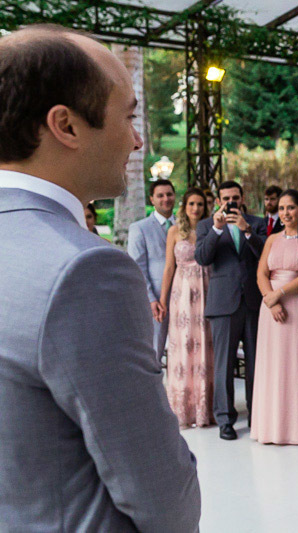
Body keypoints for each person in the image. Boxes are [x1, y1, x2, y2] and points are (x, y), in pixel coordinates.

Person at [0, 25, 199, 530]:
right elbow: (157, 488)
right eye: (128, 115)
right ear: (65, 125)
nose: (136, 139)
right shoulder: (84, 270)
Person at [195, 180, 267, 440]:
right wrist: (216, 229)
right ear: (218, 200)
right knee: (224, 363)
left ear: (242, 197)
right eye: (226, 198)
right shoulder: (206, 225)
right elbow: (202, 258)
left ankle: (257, 412)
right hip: (223, 303)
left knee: (255, 363)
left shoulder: (256, 223)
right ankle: (225, 418)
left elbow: (265, 256)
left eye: (234, 197)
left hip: (253, 301)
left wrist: (247, 231)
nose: (230, 202)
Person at [251, 189, 298, 445]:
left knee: (295, 364)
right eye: (282, 208)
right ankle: (268, 427)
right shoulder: (272, 239)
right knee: (271, 365)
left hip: (297, 305)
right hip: (271, 309)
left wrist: (281, 293)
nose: (286, 213)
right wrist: (270, 299)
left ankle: (295, 428)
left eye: (291, 207)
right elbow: (261, 273)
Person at [157, 188, 214, 428]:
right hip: (181, 294)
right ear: (185, 206)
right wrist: (162, 299)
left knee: (203, 347)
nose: (196, 208)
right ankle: (181, 410)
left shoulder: (210, 229)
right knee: (182, 348)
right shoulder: (174, 231)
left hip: (206, 289)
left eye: (200, 204)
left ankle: (203, 409)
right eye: (191, 204)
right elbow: (169, 267)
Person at [127, 178, 176, 363]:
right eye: (160, 195)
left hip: (183, 296)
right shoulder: (139, 228)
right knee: (154, 351)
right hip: (155, 300)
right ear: (152, 199)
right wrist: (151, 299)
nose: (166, 199)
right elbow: (136, 266)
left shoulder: (184, 225)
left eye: (169, 194)